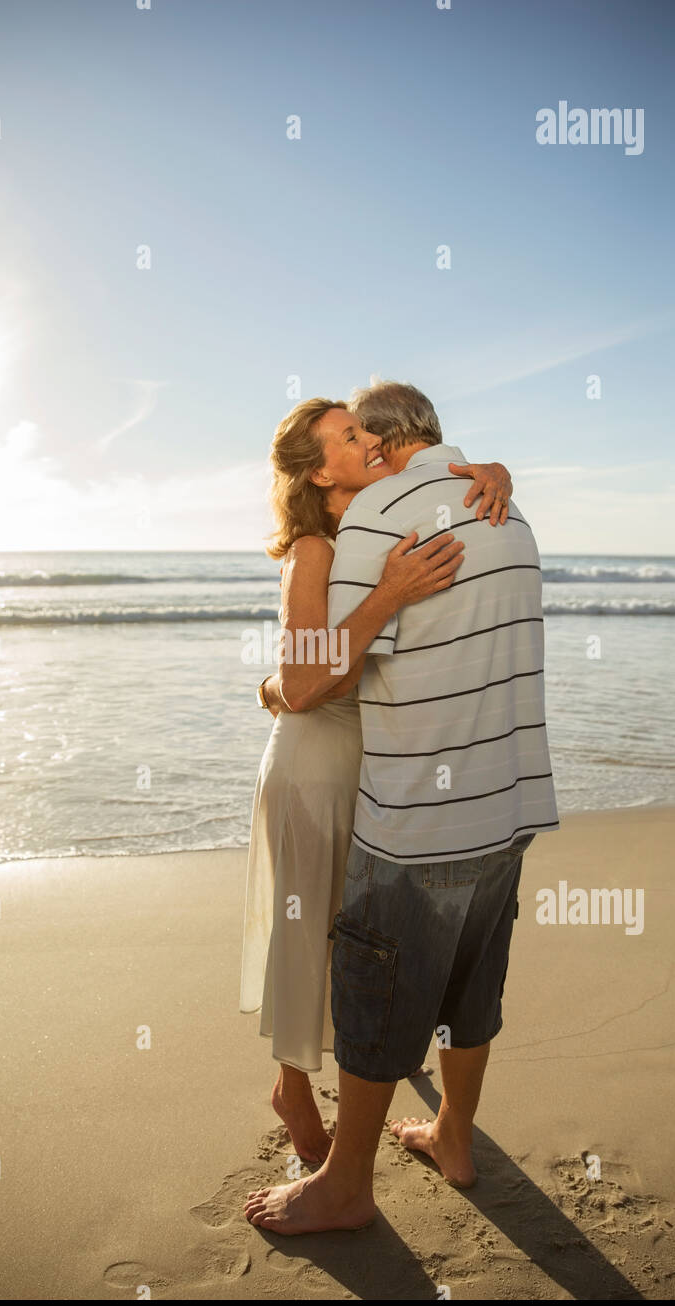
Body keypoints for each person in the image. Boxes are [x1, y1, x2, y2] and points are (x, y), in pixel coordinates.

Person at [244, 381, 558, 1234]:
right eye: (346, 437)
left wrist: (483, 469)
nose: (366, 443)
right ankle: (292, 1088)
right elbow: (303, 683)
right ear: (317, 472)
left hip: (387, 772)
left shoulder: (387, 518)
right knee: (323, 944)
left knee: (381, 950)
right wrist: (385, 597)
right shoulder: (319, 547)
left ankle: (397, 1126)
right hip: (320, 765)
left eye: (363, 430)